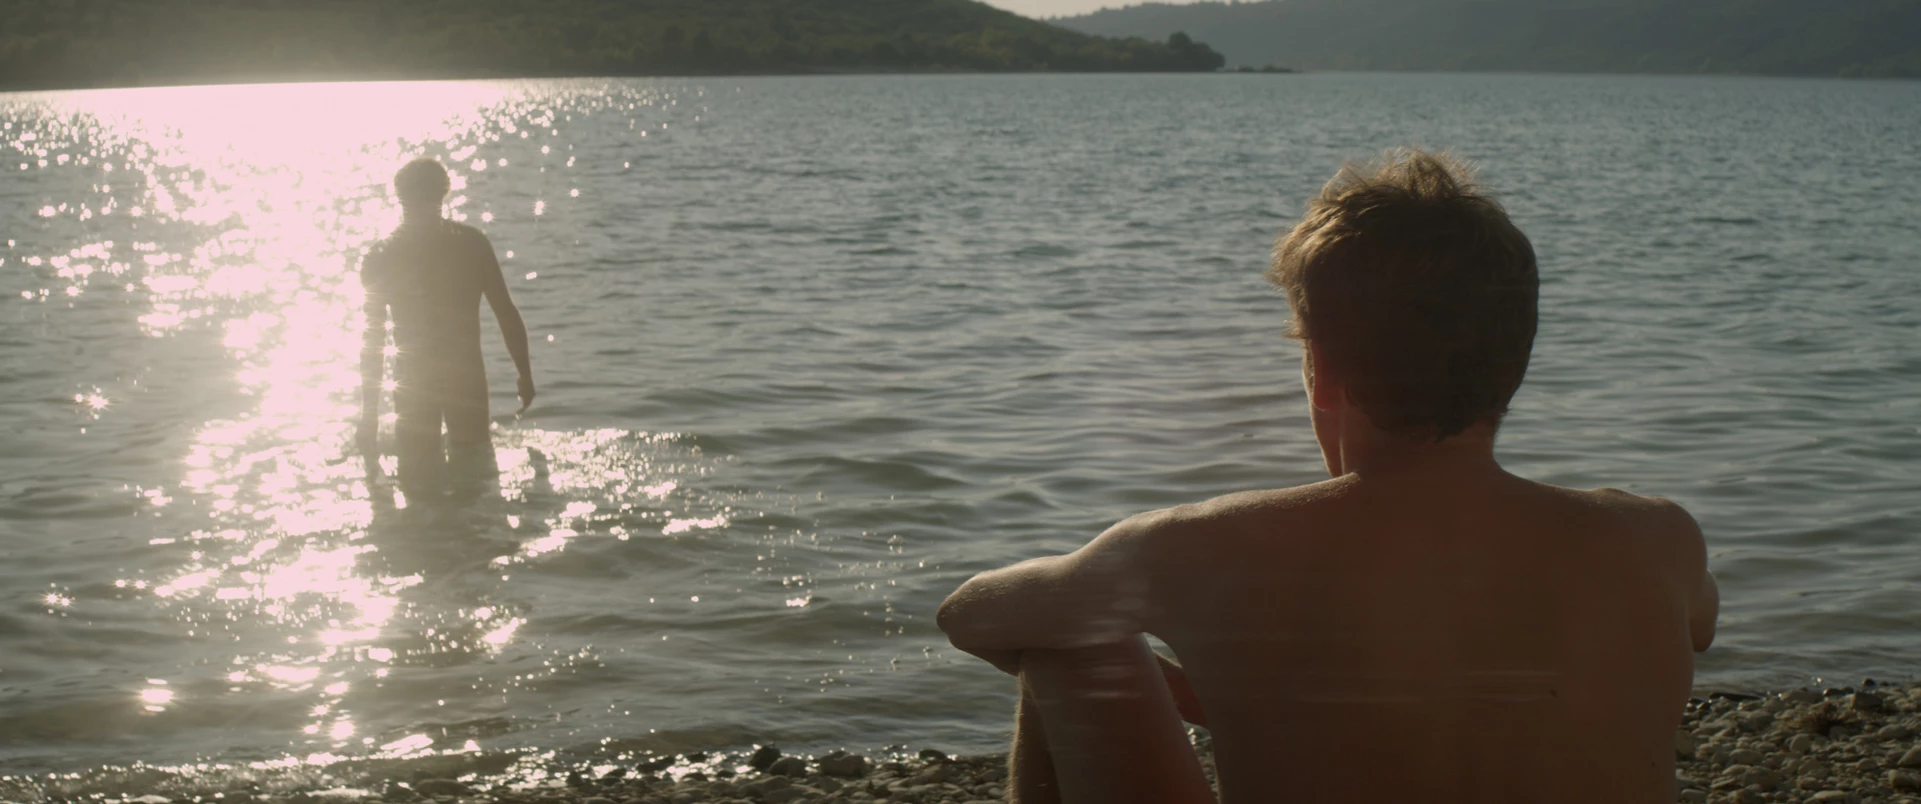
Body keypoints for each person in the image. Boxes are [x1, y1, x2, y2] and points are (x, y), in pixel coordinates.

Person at [937, 150, 1718, 803]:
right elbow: (1695, 628)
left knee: (1071, 644)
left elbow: (971, 617)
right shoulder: (1658, 537)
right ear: (1513, 363)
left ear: (1322, 368)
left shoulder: (1203, 547)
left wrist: (1194, 670)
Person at [358, 157, 534, 496]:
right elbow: (506, 314)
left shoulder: (382, 254)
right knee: (477, 483)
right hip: (464, 376)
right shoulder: (471, 244)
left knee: (417, 485)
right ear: (445, 192)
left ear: (399, 197)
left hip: (413, 382)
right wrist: (524, 374)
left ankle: (429, 540)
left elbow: (373, 342)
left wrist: (368, 416)